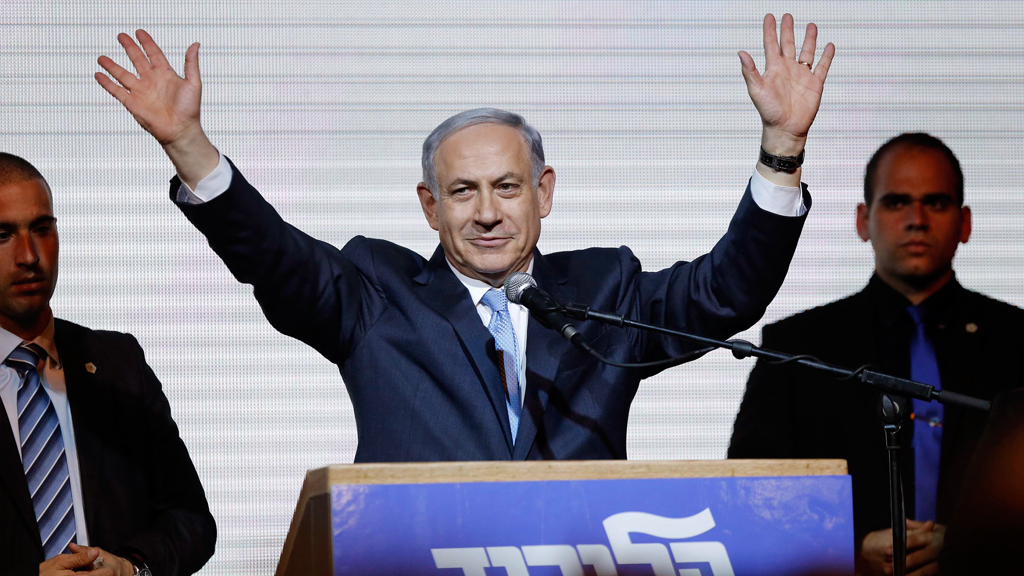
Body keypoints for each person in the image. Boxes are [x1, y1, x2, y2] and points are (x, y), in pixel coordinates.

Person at [93, 14, 834, 462]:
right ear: (430, 206)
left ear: (543, 193)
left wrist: (781, 146)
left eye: (507, 188)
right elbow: (273, 257)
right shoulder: (373, 296)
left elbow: (725, 292)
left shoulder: (604, 292)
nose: (487, 213)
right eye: (463, 191)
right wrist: (190, 145)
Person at [728, 133, 1024, 576]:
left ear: (964, 224)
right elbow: (748, 494)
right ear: (863, 221)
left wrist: (969, 545)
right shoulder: (797, 346)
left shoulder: (1018, 341)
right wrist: (849, 551)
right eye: (897, 202)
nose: (917, 219)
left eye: (937, 203)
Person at [0, 154, 216, 575]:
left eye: (42, 229)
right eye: (2, 235)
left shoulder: (118, 364)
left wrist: (131, 568)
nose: (29, 255)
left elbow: (191, 520)